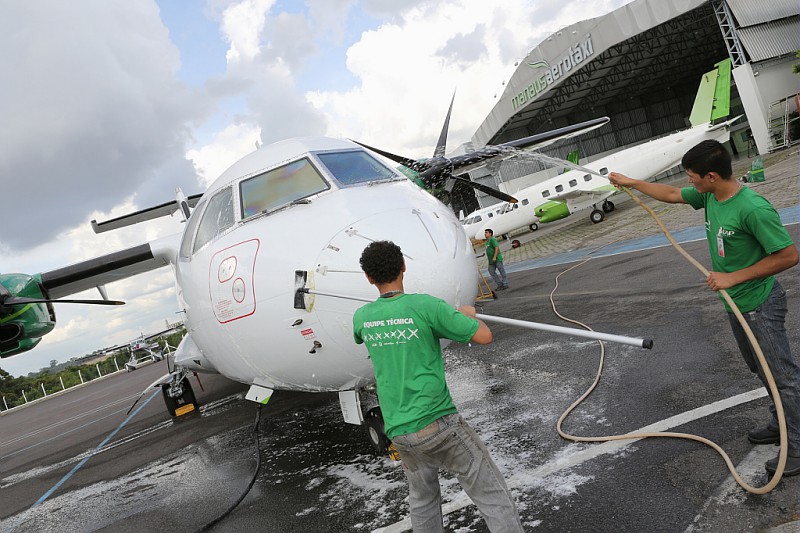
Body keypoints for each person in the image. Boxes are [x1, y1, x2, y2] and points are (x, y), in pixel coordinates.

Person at [608, 139, 800, 476]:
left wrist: (733, 277)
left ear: (711, 175)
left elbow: (788, 255)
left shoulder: (752, 208)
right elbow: (670, 195)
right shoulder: (710, 196)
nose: (690, 182)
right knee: (761, 370)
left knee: (783, 376)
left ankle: (798, 443)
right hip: (737, 305)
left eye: (693, 176)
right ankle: (780, 422)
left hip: (760, 302)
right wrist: (631, 183)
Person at [353, 240, 524, 532]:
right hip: (438, 423)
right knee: (491, 496)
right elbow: (484, 337)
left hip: (400, 431)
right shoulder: (426, 306)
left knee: (423, 502)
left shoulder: (362, 317)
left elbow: (362, 334)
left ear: (368, 277)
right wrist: (466, 316)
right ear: (403, 267)